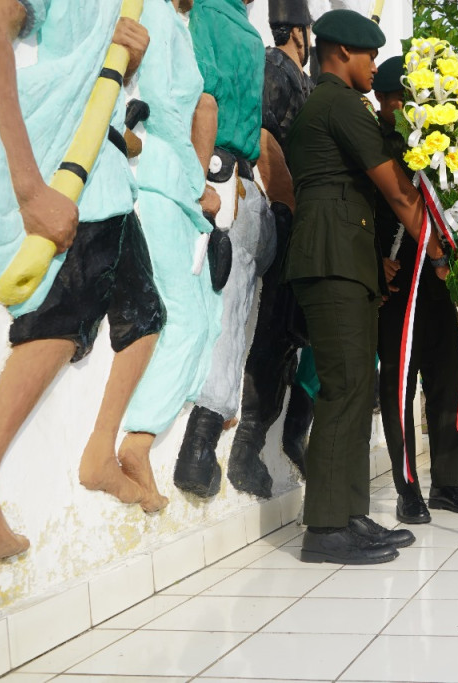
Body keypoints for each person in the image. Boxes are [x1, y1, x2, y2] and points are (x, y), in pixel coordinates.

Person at [0, 0, 160, 559]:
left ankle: (100, 451)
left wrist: (124, 59)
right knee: (59, 319)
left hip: (103, 169)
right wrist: (30, 188)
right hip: (62, 159)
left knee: (144, 312)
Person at [283, 9, 451, 564]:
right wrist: (440, 248)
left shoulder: (329, 104)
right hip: (332, 260)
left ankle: (350, 514)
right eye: (370, 56)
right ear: (341, 54)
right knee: (346, 388)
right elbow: (400, 194)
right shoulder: (339, 105)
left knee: (355, 391)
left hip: (343, 260)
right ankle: (326, 528)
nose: (374, 66)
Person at [372, 56, 458, 525]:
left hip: (444, 281)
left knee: (449, 378)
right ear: (384, 101)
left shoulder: (447, 140)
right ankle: (408, 488)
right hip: (401, 278)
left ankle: (449, 482)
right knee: (400, 385)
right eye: (397, 99)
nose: (403, 107)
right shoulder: (377, 143)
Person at [117, 0, 224, 514]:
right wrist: (196, 182)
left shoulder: (178, 21)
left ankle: (153, 428)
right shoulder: (157, 14)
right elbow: (161, 106)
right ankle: (137, 441)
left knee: (208, 319)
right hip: (159, 182)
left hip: (176, 189)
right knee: (183, 319)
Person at [174, 0, 276, 499]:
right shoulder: (249, 35)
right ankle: (203, 442)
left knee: (228, 306)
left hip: (219, 171)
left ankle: (205, 441)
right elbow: (213, 101)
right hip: (237, 180)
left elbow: (202, 95)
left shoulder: (205, 16)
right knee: (233, 309)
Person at [228, 0, 314, 498]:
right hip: (285, 215)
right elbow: (264, 139)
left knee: (290, 338)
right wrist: (290, 204)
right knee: (274, 334)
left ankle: (278, 434)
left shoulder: (302, 78)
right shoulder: (274, 68)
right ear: (299, 30)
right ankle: (247, 443)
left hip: (302, 216)